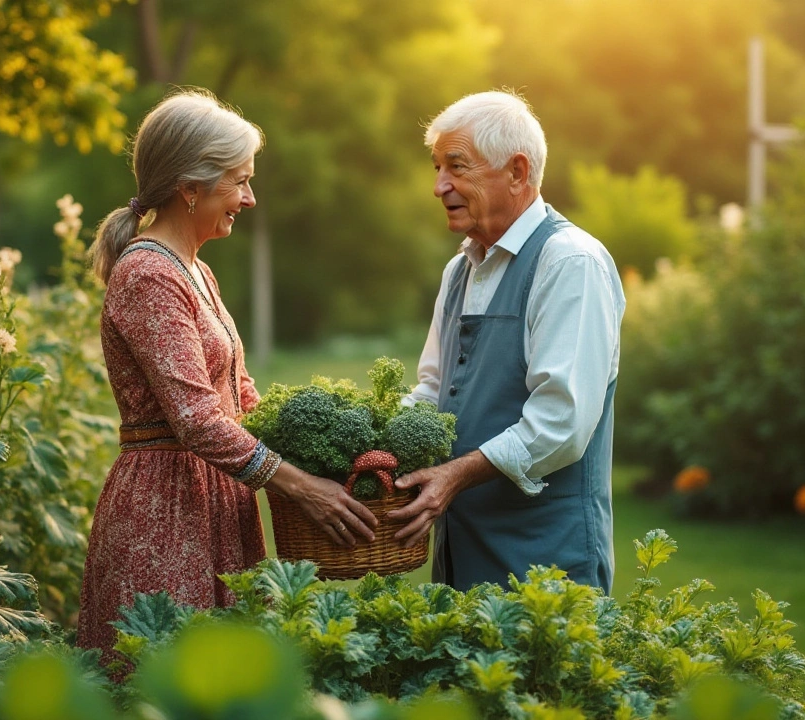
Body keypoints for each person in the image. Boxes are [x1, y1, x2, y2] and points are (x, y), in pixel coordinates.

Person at [77, 90, 377, 658]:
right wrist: (299, 484)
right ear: (190, 188)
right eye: (239, 181)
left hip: (215, 495)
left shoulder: (196, 271)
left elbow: (237, 392)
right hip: (166, 512)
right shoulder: (146, 274)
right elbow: (195, 419)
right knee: (170, 680)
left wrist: (323, 447)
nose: (251, 197)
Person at [389, 90, 625, 593]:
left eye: (457, 166)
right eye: (437, 167)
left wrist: (453, 476)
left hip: (545, 559)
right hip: (462, 550)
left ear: (517, 172)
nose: (439, 186)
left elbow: (561, 420)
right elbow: (433, 390)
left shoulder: (569, 262)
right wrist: (371, 446)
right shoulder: (460, 269)